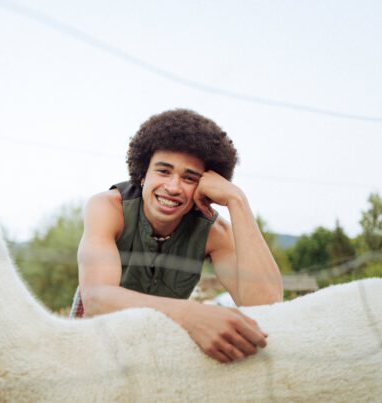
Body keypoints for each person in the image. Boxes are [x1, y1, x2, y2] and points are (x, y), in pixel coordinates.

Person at [74, 109, 283, 364]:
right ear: (143, 174)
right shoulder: (108, 207)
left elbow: (267, 307)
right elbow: (96, 299)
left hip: (158, 354)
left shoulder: (214, 232)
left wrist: (236, 200)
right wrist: (191, 314)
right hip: (94, 347)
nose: (173, 187)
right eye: (164, 171)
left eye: (189, 178)